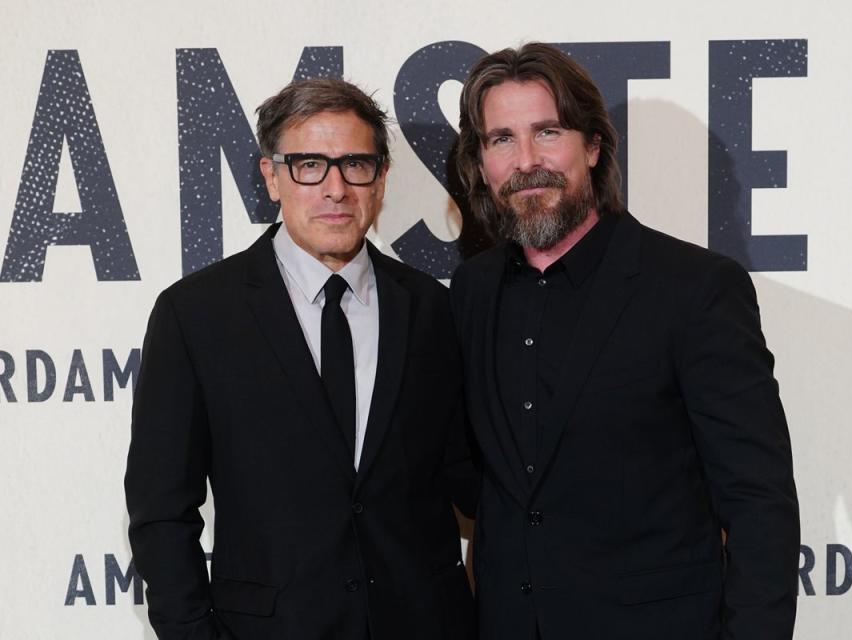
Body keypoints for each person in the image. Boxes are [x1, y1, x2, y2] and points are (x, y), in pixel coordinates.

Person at [451, 43, 800, 640]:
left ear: (593, 146)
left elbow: (757, 503)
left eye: (548, 131)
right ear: (481, 163)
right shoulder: (471, 290)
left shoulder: (694, 289)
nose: (526, 159)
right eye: (501, 139)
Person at [125, 78, 477, 640]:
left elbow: (473, 477)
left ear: (381, 177)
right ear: (271, 177)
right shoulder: (196, 316)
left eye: (356, 164)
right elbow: (161, 511)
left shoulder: (432, 309)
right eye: (309, 165)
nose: (335, 189)